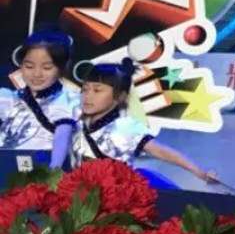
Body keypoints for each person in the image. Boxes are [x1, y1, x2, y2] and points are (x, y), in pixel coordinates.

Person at [70, 60, 220, 188]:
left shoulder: (125, 127)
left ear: (120, 96)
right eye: (85, 89)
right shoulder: (76, 120)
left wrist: (200, 172)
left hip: (114, 196)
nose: (87, 96)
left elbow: (160, 151)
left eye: (97, 90)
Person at [1, 28, 81, 169]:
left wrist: (52, 174)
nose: (37, 74)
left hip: (49, 176)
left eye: (47, 67)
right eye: (29, 66)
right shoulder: (8, 99)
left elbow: (62, 136)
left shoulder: (70, 101)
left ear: (61, 68)